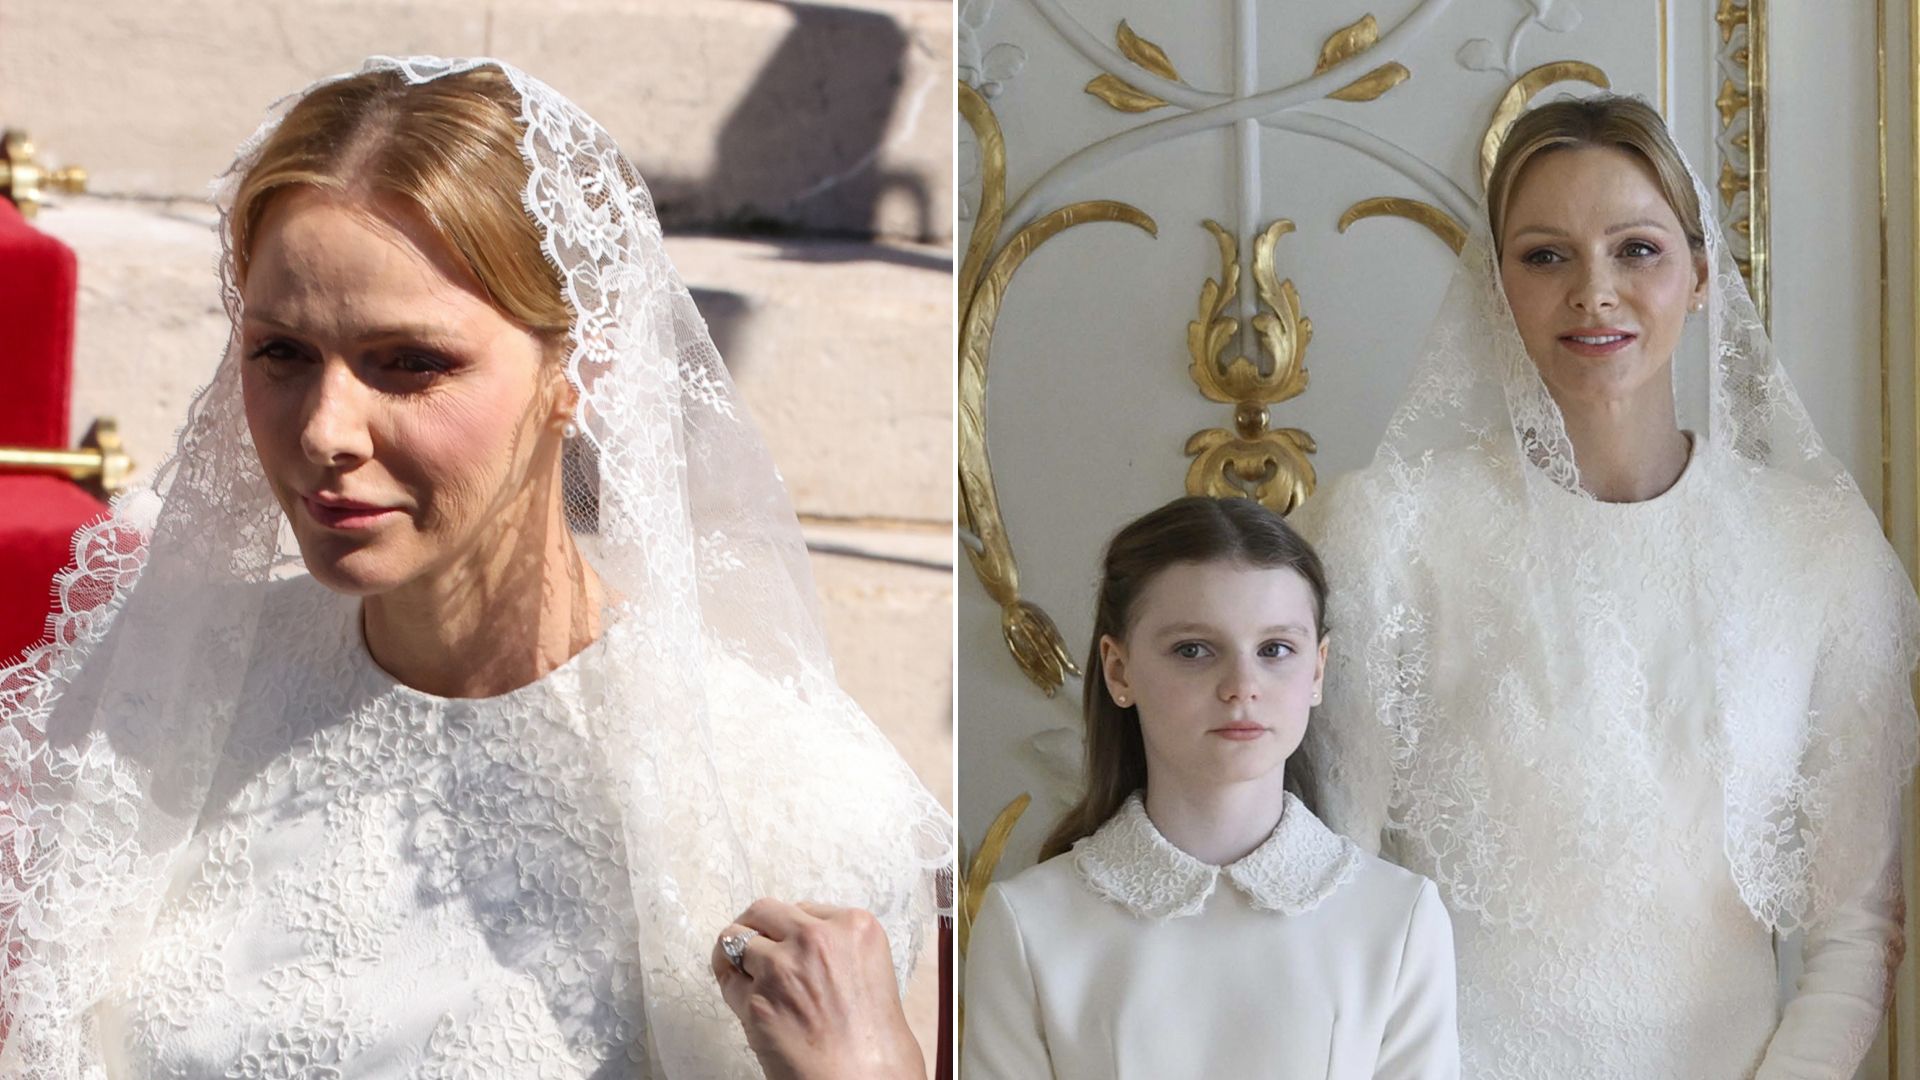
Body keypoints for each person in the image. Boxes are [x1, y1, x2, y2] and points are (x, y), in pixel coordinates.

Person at [0, 56, 952, 1079]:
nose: (326, 430)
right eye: (282, 353)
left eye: (410, 363)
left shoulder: (784, 799)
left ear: (579, 368)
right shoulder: (156, 700)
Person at [1294, 94, 1919, 1078]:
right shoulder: (1386, 533)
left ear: (1702, 274)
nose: (1594, 291)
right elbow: (1337, 890)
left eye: (1637, 249)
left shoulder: (1820, 551)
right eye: (1546, 255)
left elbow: (1857, 932)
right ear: (1497, 285)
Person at [962, 495, 1459, 1079]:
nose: (1241, 685)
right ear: (1119, 670)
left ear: (1317, 670)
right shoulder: (1029, 924)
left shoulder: (1398, 919)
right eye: (1194, 650)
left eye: (1275, 650)